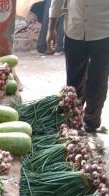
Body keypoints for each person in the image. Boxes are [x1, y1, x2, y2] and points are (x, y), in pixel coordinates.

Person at [47, 0, 109, 133]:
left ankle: (91, 121)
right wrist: (51, 29)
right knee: (73, 82)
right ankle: (74, 118)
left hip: (103, 32)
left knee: (98, 80)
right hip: (74, 30)